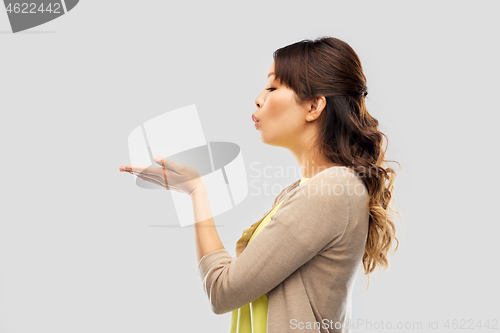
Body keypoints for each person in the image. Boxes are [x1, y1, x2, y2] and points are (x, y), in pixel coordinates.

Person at [119, 36, 399, 333]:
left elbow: (222, 290)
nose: (259, 98)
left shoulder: (331, 190)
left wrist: (197, 192)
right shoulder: (311, 190)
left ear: (314, 106)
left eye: (272, 87)